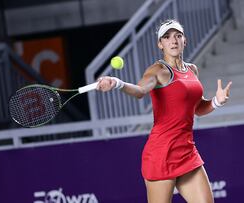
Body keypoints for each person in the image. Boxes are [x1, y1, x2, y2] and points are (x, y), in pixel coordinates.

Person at [95, 19, 232, 203]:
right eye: (166, 37)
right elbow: (140, 91)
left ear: (185, 40)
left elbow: (197, 109)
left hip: (186, 152)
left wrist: (216, 101)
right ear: (160, 44)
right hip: (162, 154)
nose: (173, 40)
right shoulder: (158, 70)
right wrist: (118, 83)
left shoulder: (192, 70)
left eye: (178, 36)